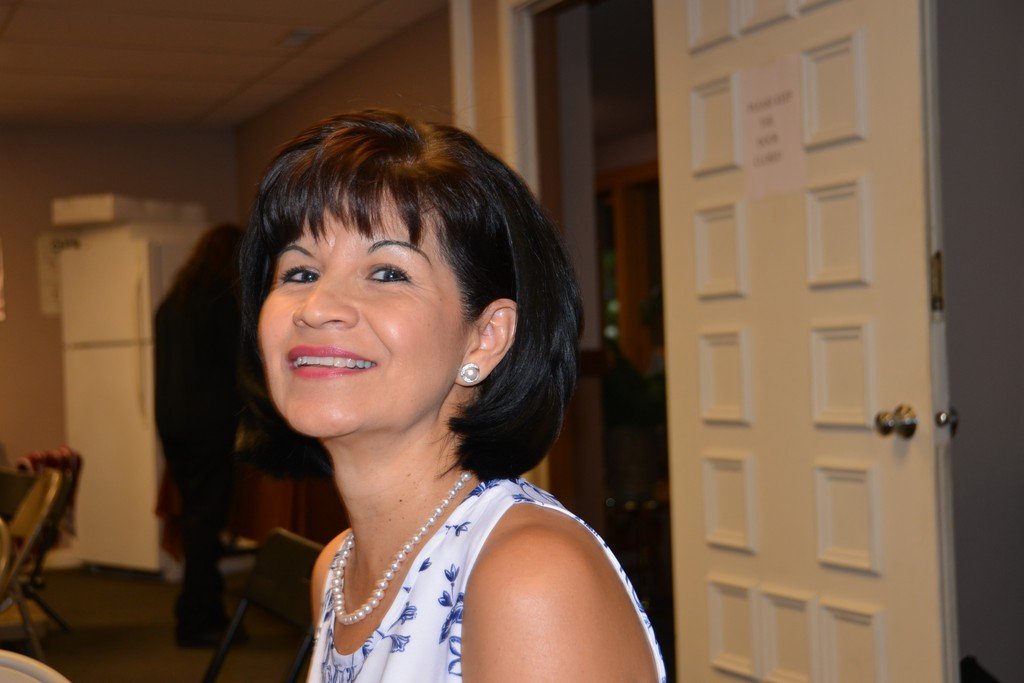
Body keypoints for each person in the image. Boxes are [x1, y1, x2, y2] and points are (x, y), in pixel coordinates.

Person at [238, 110, 665, 681]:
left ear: (485, 338)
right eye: (299, 272)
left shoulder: (531, 578)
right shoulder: (337, 571)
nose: (317, 308)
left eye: (387, 273)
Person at [155, 223, 243, 647]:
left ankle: (200, 609)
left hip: (173, 423)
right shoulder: (220, 303)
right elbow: (237, 369)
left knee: (196, 519)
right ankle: (198, 617)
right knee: (206, 523)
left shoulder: (172, 303)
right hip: (209, 425)